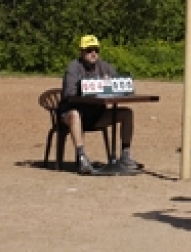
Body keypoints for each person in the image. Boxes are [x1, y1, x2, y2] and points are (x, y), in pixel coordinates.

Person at [59, 35, 140, 174]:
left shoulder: (104, 66)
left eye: (96, 49)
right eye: (89, 49)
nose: (93, 53)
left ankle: (125, 155)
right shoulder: (73, 68)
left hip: (96, 115)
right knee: (75, 114)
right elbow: (68, 94)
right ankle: (81, 157)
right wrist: (90, 86)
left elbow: (119, 86)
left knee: (127, 113)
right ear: (81, 51)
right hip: (71, 115)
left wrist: (111, 84)